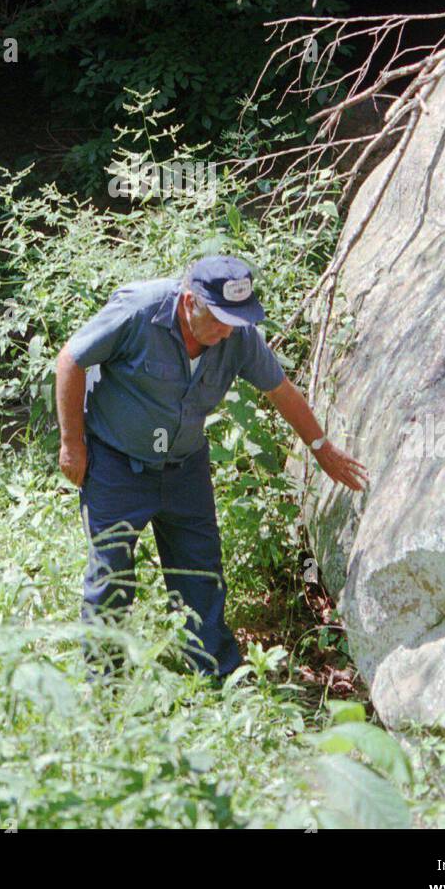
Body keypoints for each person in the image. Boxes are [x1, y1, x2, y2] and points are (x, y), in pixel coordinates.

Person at [55, 254, 368, 678]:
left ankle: (216, 674)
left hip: (184, 468)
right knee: (110, 577)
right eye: (220, 319)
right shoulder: (138, 311)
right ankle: (104, 684)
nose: (228, 331)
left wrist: (321, 447)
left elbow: (280, 389)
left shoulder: (237, 336)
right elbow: (71, 360)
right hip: (115, 464)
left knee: (200, 571)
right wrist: (73, 444)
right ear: (189, 302)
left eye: (237, 319)